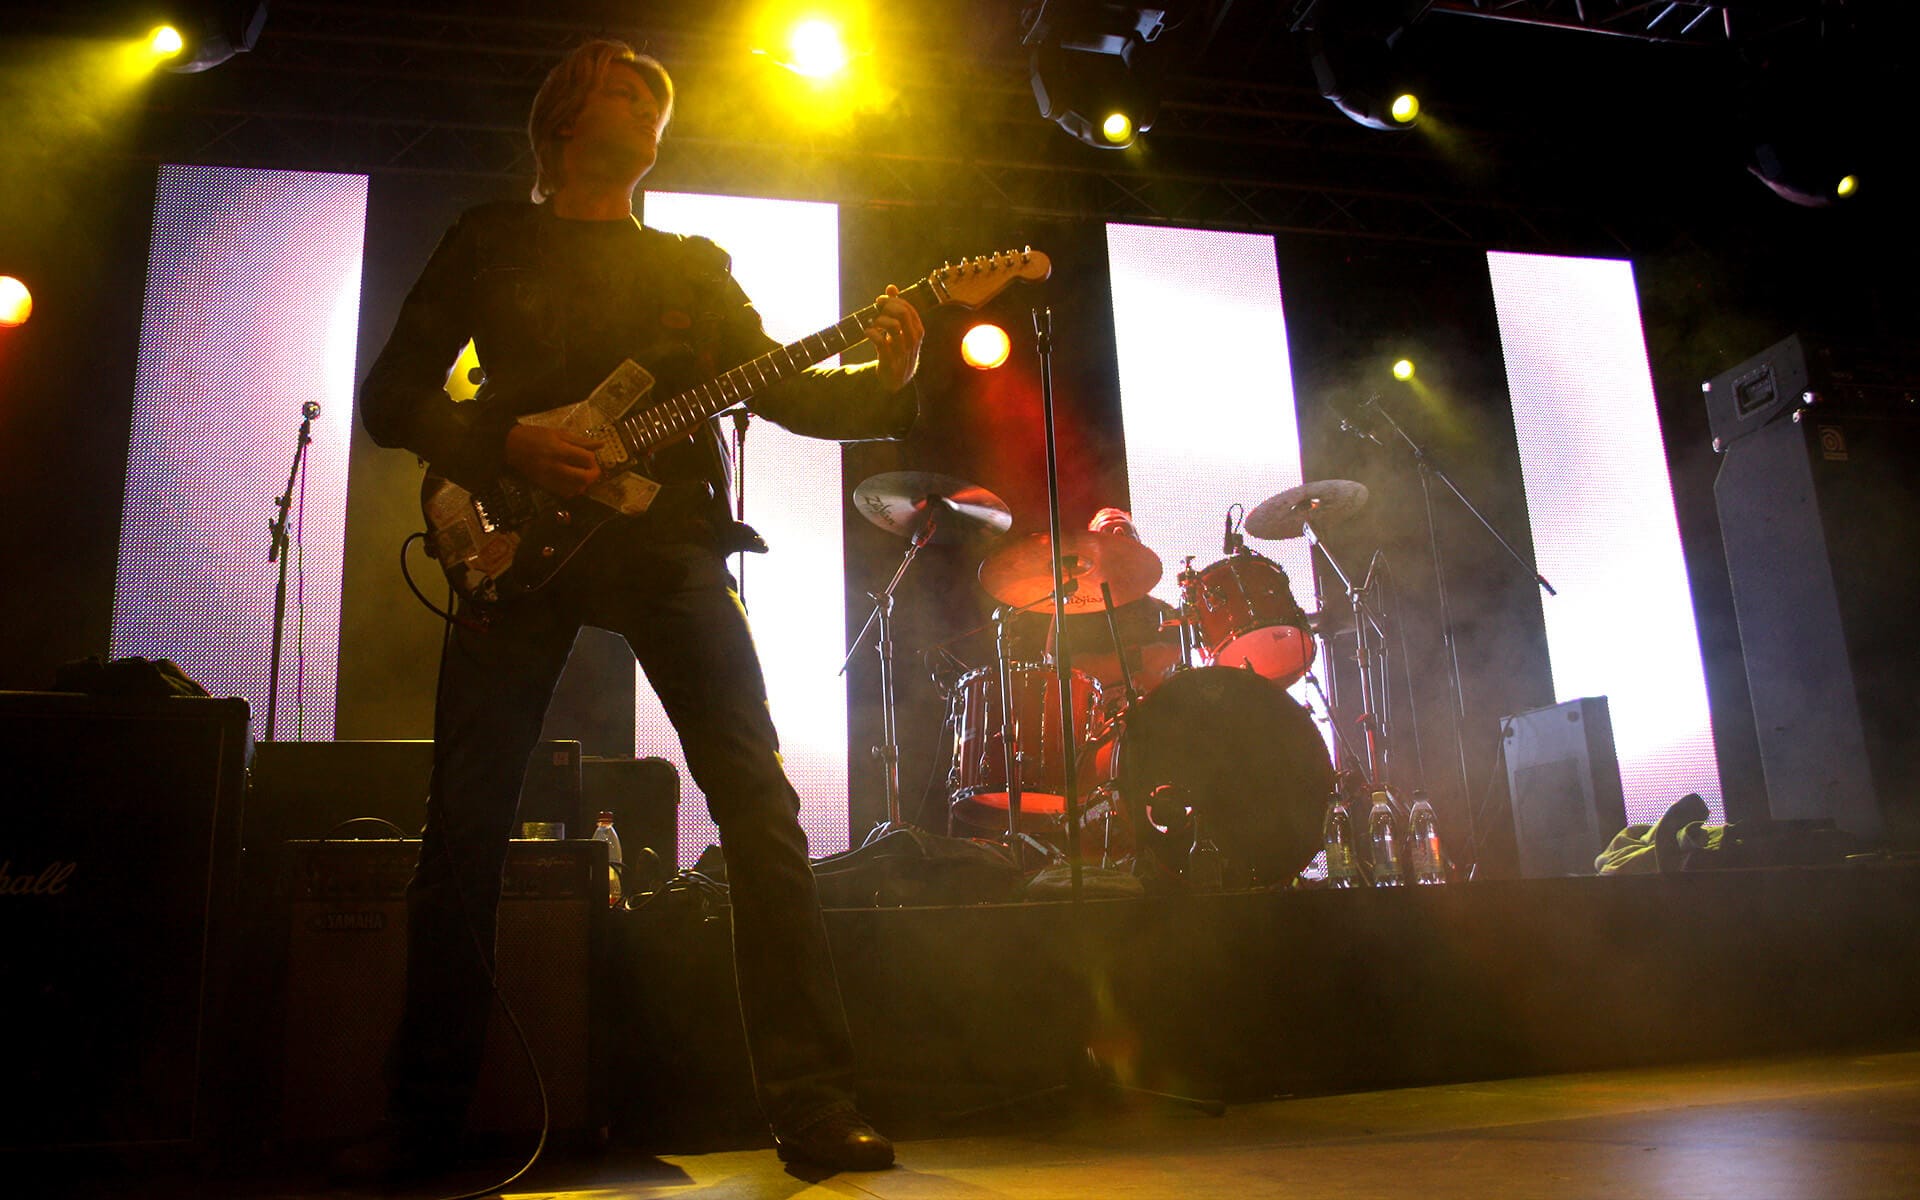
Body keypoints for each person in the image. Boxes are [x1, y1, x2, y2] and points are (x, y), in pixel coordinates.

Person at [351, 39, 923, 1178]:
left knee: (759, 808)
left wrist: (891, 376)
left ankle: (813, 1106)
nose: (646, 106)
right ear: (563, 115)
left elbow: (784, 389)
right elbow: (392, 397)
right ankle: (425, 1125)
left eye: (657, 99)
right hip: (513, 540)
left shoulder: (691, 267)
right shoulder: (490, 239)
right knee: (465, 823)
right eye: (623, 88)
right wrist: (504, 441)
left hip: (667, 545)